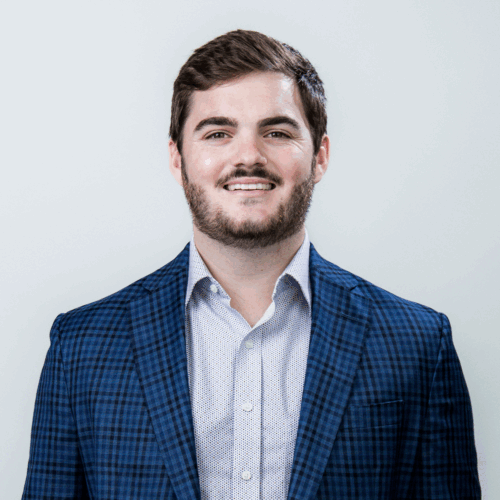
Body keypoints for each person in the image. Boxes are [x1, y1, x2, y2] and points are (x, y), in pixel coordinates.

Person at [22, 29, 481, 500]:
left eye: (277, 132)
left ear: (320, 156)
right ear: (178, 159)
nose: (248, 157)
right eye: (218, 134)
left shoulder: (417, 344)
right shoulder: (81, 347)